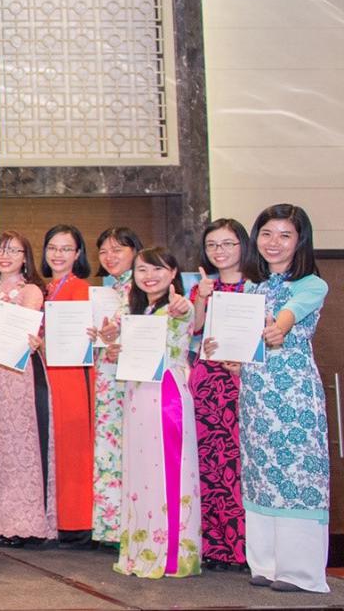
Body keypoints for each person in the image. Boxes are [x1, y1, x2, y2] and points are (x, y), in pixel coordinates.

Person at [235, 204, 330, 592]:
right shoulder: (250, 286)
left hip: (293, 395)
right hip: (256, 393)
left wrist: (278, 330)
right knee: (260, 475)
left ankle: (300, 570)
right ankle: (267, 563)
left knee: (296, 475)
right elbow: (242, 340)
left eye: (285, 235)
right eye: (267, 234)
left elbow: (287, 318)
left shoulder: (311, 284)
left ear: (300, 241)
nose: (274, 243)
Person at [108, 248, 200, 578]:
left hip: (167, 394)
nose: (150, 276)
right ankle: (140, 550)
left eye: (158, 269)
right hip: (136, 393)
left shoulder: (178, 305)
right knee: (141, 475)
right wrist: (113, 343)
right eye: (142, 270)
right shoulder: (138, 309)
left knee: (168, 471)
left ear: (173, 272)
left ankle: (171, 555)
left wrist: (183, 305)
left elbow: (186, 312)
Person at [188, 219, 258, 571]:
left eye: (228, 244)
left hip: (243, 385)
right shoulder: (204, 288)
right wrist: (201, 297)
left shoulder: (258, 288)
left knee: (241, 465)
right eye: (213, 245)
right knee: (209, 467)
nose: (220, 251)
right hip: (207, 384)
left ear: (243, 245)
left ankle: (245, 548)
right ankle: (214, 547)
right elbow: (195, 329)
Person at [0, 230, 53, 547]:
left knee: (26, 450)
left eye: (13, 250)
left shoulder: (31, 290)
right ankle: (5, 522)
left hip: (22, 373)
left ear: (26, 256)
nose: (5, 256)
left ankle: (29, 525)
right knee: (2, 452)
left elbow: (26, 327)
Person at [40, 225, 96, 545]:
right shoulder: (46, 288)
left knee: (73, 446)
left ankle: (77, 521)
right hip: (49, 373)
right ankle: (59, 517)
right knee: (56, 447)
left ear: (77, 254)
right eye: (52, 247)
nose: (58, 254)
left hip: (72, 373)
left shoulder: (81, 288)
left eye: (65, 249)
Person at [90, 226, 142, 545]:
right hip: (107, 377)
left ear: (135, 251)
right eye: (104, 251)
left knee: (134, 448)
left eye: (118, 250)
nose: (110, 257)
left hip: (135, 378)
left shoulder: (143, 286)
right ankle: (112, 526)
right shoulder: (106, 289)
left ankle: (134, 524)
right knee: (109, 451)